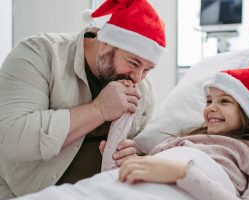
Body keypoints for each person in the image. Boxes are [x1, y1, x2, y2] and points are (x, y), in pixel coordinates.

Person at [13, 56, 249, 200]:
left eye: (225, 101)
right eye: (208, 100)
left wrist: (182, 174)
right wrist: (123, 155)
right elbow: (127, 175)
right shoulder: (181, 141)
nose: (211, 108)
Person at [0, 0, 166, 198]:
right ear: (105, 41)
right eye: (132, 62)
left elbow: (144, 151)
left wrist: (135, 156)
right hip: (23, 193)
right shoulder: (38, 54)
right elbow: (8, 138)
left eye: (147, 70)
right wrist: (98, 110)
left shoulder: (143, 91)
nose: (137, 78)